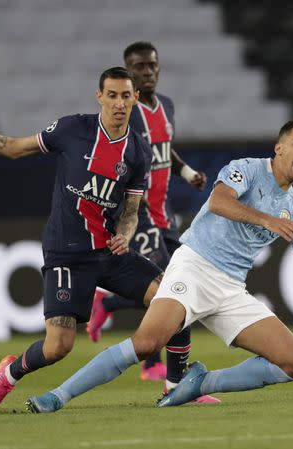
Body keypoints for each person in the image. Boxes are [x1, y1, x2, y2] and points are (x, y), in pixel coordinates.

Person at [25, 117, 293, 413]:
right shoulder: (248, 169)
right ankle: (57, 396)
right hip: (194, 266)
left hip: (231, 288)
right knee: (146, 342)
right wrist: (266, 220)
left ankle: (199, 383)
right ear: (279, 147)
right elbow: (219, 202)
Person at [0, 67, 165, 410]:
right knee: (58, 347)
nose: (118, 103)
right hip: (67, 253)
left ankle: (177, 386)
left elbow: (131, 209)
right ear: (99, 96)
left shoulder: (138, 151)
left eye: (125, 96)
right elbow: (13, 148)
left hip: (109, 252)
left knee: (172, 297)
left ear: (135, 99)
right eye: (112, 95)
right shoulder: (72, 129)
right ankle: (9, 373)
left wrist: (125, 235)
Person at [85, 42, 213, 397]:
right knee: (165, 288)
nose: (148, 71)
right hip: (138, 214)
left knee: (176, 285)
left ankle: (109, 306)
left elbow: (164, 149)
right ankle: (155, 366)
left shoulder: (166, 106)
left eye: (152, 65)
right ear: (129, 72)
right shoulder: (127, 111)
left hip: (164, 212)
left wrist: (186, 172)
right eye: (139, 67)